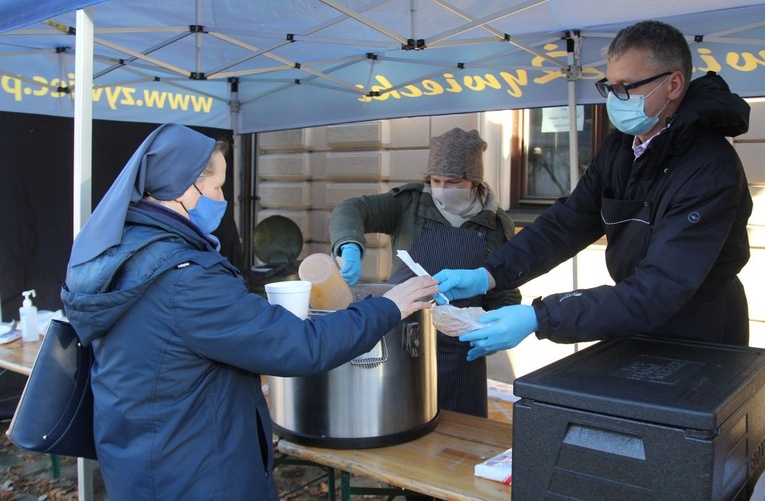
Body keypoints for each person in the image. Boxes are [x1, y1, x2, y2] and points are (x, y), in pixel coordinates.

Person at [60, 123, 438, 501]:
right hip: (195, 474)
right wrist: (389, 306)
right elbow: (302, 346)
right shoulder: (184, 280)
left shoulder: (122, 251)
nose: (221, 199)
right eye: (216, 187)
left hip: (140, 457)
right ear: (184, 189)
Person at [435, 20, 753, 362]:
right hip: (632, 314)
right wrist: (491, 274)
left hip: (699, 332)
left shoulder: (709, 166)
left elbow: (662, 285)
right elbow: (568, 222)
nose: (615, 100)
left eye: (626, 86)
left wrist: (539, 317)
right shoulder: (621, 147)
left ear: (673, 84)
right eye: (610, 86)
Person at [329, 127, 521, 418]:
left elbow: (504, 289)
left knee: (458, 438)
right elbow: (351, 209)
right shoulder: (409, 204)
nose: (441, 188)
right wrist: (349, 245)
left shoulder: (496, 225)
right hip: (402, 341)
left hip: (460, 354)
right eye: (435, 180)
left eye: (452, 182)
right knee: (399, 423)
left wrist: (495, 330)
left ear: (474, 181)